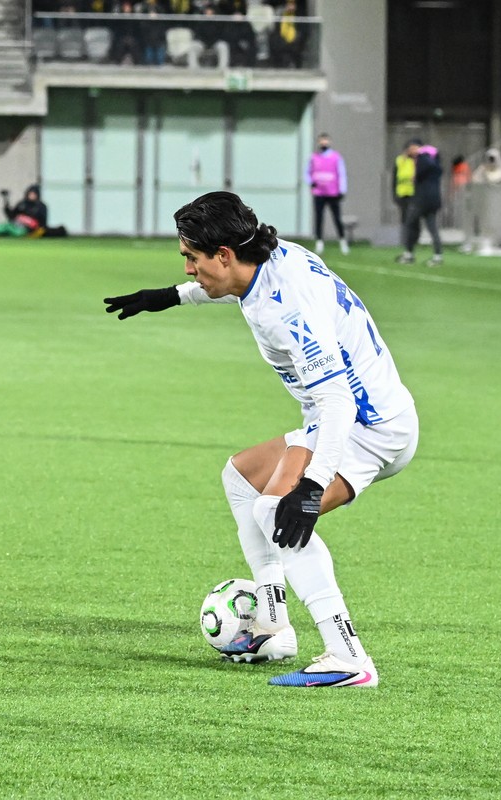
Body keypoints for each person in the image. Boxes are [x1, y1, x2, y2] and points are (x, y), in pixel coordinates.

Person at [104, 191, 418, 689]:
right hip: (343, 416)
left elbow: (337, 401)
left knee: (277, 512)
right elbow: (233, 287)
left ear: (223, 254)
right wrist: (170, 296)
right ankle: (272, 626)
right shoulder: (268, 257)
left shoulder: (288, 310)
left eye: (191, 258)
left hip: (370, 425)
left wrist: (311, 486)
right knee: (242, 478)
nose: (189, 269)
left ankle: (347, 656)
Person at [397, 141, 443, 267]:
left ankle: (408, 254)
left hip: (421, 200)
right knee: (433, 228)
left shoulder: (422, 160)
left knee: (410, 224)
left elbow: (416, 176)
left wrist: (415, 176)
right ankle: (438, 256)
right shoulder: (436, 163)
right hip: (434, 200)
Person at [307, 133, 348, 256]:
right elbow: (307, 172)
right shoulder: (314, 157)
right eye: (321, 141)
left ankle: (342, 241)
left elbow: (342, 173)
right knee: (319, 218)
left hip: (333, 192)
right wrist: (311, 182)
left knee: (337, 218)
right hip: (319, 192)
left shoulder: (336, 157)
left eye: (325, 140)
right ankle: (319, 242)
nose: (323, 143)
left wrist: (342, 190)